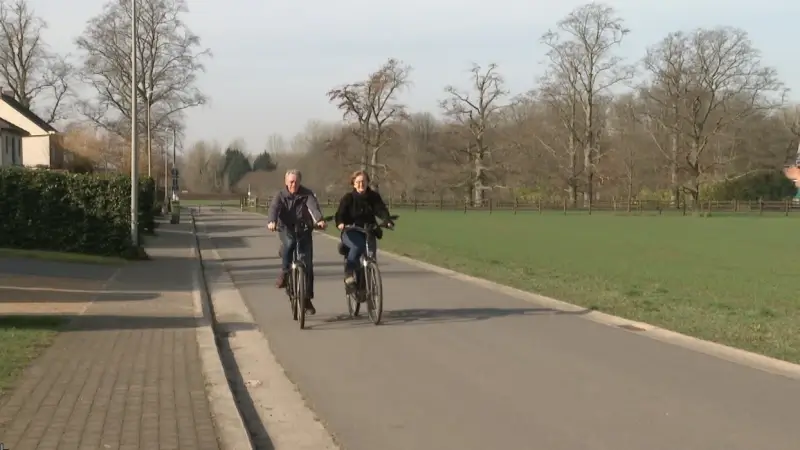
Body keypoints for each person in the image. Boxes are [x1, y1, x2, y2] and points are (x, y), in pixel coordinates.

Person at [266, 169, 326, 314]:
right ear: (286, 182)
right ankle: (285, 273)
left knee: (308, 265)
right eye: (291, 182)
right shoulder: (280, 196)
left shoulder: (307, 194)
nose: (294, 184)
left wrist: (319, 220)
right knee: (290, 243)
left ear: (300, 182)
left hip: (303, 229)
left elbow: (313, 207)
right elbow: (274, 209)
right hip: (285, 228)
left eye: (296, 182)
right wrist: (272, 221)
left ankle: (307, 299)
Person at [334, 170, 394, 288]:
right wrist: (340, 223)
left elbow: (380, 209)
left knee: (370, 259)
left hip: (369, 230)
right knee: (358, 247)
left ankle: (370, 293)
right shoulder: (348, 198)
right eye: (358, 182)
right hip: (351, 230)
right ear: (353, 184)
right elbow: (340, 213)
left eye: (363, 181)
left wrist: (387, 220)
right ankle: (349, 273)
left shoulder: (373, 197)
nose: (361, 184)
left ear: (367, 182)